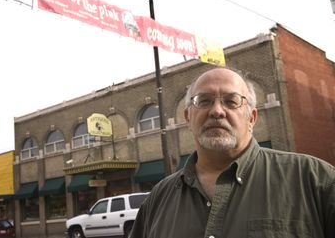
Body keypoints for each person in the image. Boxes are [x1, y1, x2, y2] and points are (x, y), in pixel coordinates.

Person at [129, 67, 335, 238]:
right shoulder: (158, 198)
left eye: (231, 101)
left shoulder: (316, 181)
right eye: (204, 100)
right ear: (188, 118)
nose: (217, 111)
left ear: (252, 118)